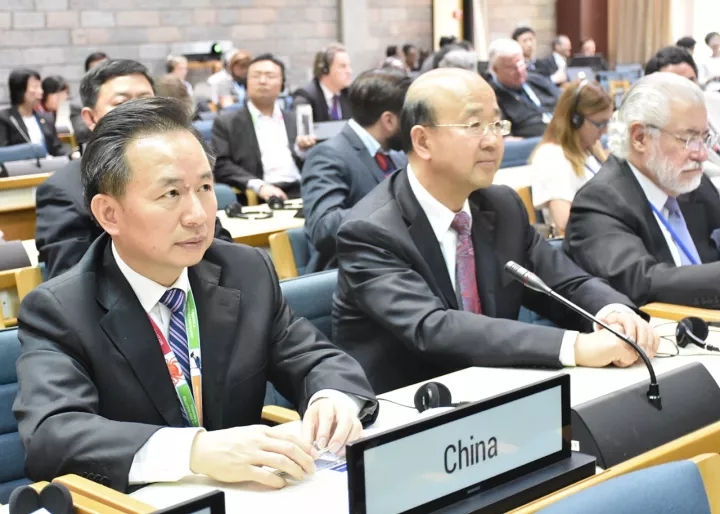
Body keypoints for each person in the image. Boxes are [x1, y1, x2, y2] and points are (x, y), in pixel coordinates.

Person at [15, 97, 378, 492]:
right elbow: (52, 435)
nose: (198, 215)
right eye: (171, 194)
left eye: (205, 187)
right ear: (109, 214)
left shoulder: (245, 271)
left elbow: (315, 359)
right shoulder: (61, 309)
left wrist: (331, 398)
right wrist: (194, 450)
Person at [331, 68, 658, 394]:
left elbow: (565, 282)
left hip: (498, 393)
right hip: (407, 408)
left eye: (497, 124)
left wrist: (613, 312)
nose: (492, 141)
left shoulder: (502, 206)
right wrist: (576, 347)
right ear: (423, 141)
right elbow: (434, 327)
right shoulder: (370, 231)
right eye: (474, 125)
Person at [35, 59, 233, 280]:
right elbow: (72, 281)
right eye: (122, 103)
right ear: (90, 118)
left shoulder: (187, 170)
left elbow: (224, 256)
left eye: (145, 100)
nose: (138, 112)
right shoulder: (63, 190)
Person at [564, 72, 720, 308]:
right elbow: (640, 282)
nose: (702, 154)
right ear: (639, 138)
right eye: (688, 139)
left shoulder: (690, 183)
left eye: (704, 138)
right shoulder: (599, 202)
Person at [302, 69, 411, 272]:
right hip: (353, 273)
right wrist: (398, 205)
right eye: (409, 119)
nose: (414, 127)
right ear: (388, 120)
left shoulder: (398, 156)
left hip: (400, 264)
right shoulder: (328, 155)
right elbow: (323, 229)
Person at [212, 54, 316, 201]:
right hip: (259, 195)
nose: (262, 81)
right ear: (247, 83)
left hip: (302, 190)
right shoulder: (227, 123)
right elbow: (221, 165)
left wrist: (303, 152)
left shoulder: (294, 120)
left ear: (282, 84)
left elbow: (312, 161)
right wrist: (258, 186)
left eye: (270, 76)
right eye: (256, 76)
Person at [530, 80, 612, 232]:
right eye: (599, 124)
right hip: (586, 239)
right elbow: (565, 222)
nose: (604, 131)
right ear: (575, 120)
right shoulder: (552, 157)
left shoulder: (590, 150)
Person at [487, 39, 560, 138]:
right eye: (511, 68)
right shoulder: (492, 98)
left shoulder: (537, 80)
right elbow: (507, 141)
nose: (519, 71)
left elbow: (566, 103)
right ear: (495, 69)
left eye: (521, 63)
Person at [0, 68, 69, 156]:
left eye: (40, 87)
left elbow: (56, 148)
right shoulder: (5, 118)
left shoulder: (46, 117)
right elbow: (4, 152)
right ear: (20, 90)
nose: (41, 92)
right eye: (35, 87)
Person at [292, 44, 353, 122]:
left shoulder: (350, 95)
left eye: (349, 66)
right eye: (342, 66)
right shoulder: (305, 99)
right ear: (325, 70)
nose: (349, 71)